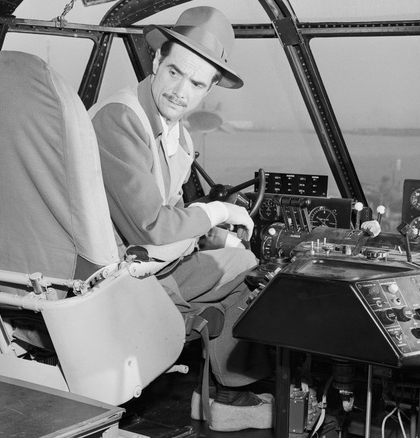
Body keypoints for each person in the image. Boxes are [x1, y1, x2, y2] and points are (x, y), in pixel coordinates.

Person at [90, 6, 274, 432]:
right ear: (156, 61)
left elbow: (171, 215)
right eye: (174, 72)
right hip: (118, 279)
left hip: (150, 265)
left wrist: (212, 236)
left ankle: (228, 397)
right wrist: (217, 211)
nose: (180, 91)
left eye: (196, 83)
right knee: (241, 277)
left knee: (247, 265)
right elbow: (151, 226)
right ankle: (221, 390)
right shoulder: (120, 118)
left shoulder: (178, 135)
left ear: (208, 89)